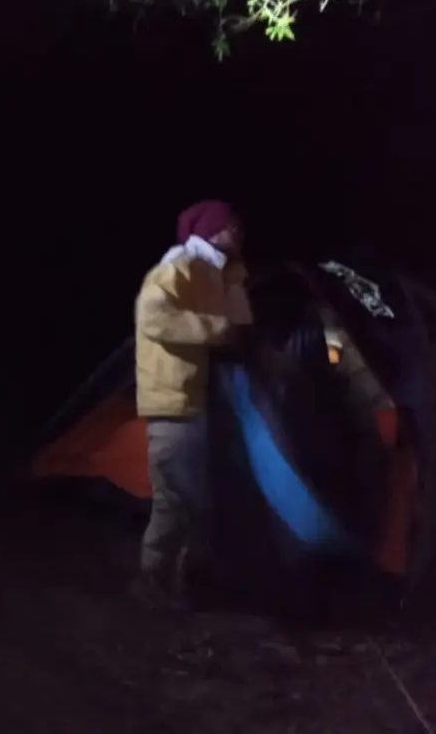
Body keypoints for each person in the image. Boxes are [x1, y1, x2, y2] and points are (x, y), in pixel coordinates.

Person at [131, 199, 253, 609]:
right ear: (211, 230)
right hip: (172, 402)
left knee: (196, 497)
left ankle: (181, 583)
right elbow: (153, 317)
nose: (237, 231)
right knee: (175, 498)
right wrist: (215, 329)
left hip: (198, 402)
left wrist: (234, 282)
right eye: (229, 225)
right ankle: (151, 581)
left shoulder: (216, 274)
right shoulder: (177, 268)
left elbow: (242, 324)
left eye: (237, 225)